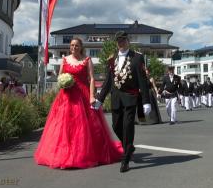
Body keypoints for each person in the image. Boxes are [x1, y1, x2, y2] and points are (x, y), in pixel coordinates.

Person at [35, 37, 123, 169]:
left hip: (83, 95)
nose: (74, 47)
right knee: (64, 126)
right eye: (72, 45)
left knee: (85, 127)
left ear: (81, 47)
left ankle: (83, 154)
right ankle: (64, 154)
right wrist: (63, 82)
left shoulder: (87, 60)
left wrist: (92, 95)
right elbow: (59, 76)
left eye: (76, 45)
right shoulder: (65, 60)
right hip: (66, 96)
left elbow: (92, 78)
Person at [97, 31, 151, 173]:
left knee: (128, 127)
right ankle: (129, 146)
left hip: (130, 97)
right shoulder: (112, 58)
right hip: (116, 98)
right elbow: (108, 81)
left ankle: (125, 159)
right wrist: (100, 99)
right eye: (118, 41)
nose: (120, 43)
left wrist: (146, 101)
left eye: (123, 40)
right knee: (116, 126)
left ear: (128, 41)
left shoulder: (137, 58)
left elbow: (142, 80)